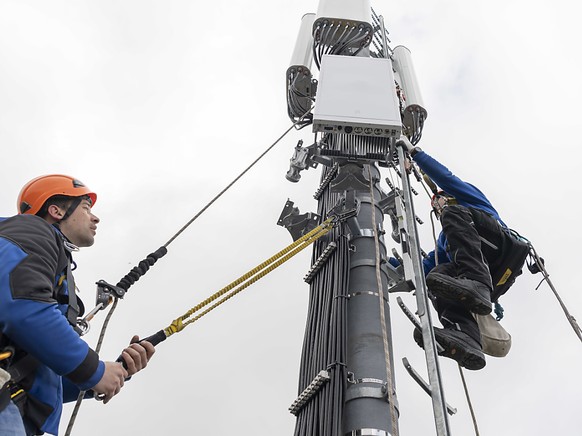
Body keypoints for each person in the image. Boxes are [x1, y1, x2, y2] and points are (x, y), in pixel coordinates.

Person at [0, 174, 155, 435]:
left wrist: (115, 371)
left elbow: (44, 378)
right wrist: (95, 371)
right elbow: (23, 307)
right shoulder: (32, 231)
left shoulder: (50, 258)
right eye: (86, 208)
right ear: (56, 210)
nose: (95, 218)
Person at [397, 137, 529, 370]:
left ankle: (476, 283)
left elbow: (446, 178)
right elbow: (418, 270)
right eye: (436, 206)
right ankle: (464, 336)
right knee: (436, 276)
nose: (438, 207)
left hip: (499, 249)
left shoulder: (468, 203)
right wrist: (383, 264)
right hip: (487, 278)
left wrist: (416, 154)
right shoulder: (446, 243)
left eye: (440, 201)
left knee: (454, 214)